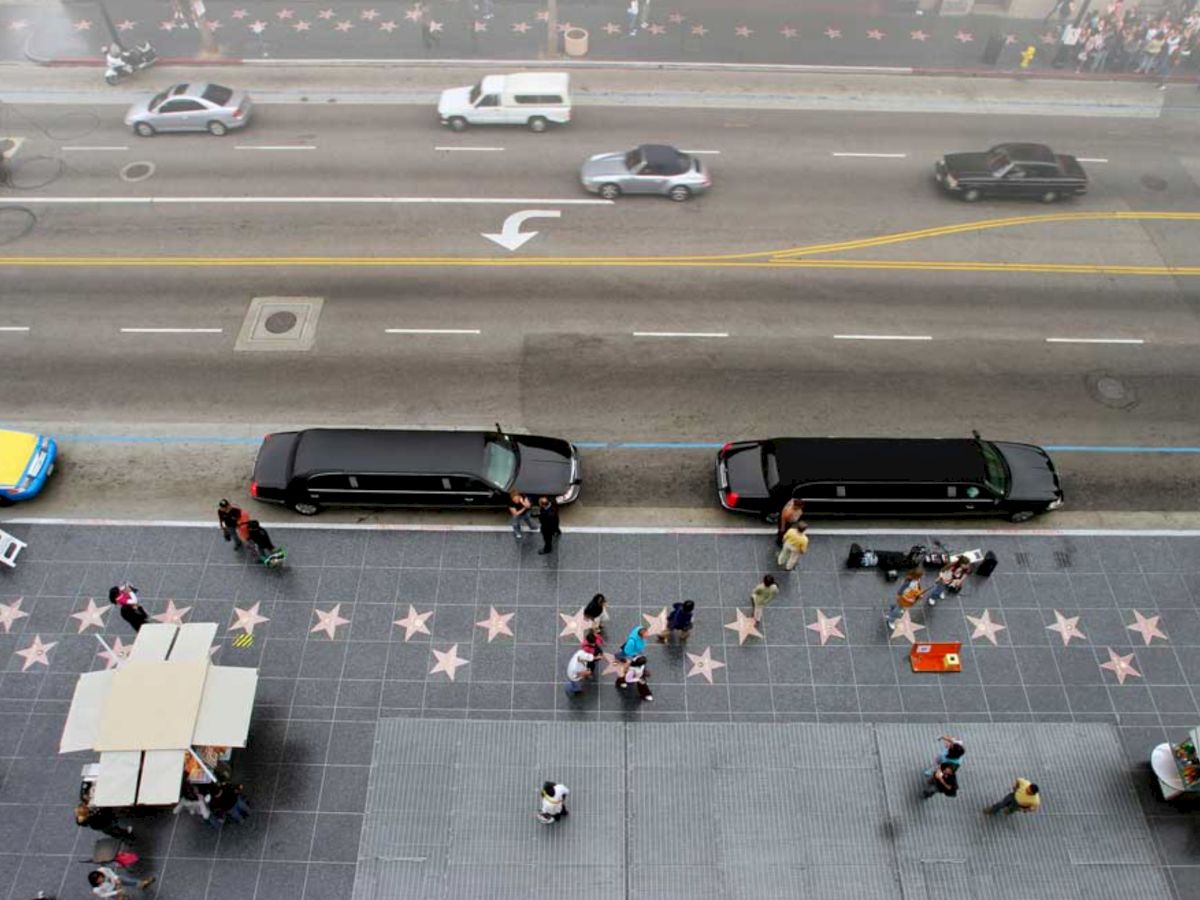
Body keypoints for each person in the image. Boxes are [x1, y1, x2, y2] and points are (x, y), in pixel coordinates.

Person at [87, 868, 155, 898]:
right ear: (95, 882)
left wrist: (115, 878)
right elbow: (103, 895)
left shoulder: (102, 870)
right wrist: (116, 892)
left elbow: (109, 871)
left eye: (101, 877)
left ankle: (142, 884)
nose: (102, 879)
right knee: (121, 897)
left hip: (115, 880)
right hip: (112, 890)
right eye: (99, 880)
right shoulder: (96, 889)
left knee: (129, 881)